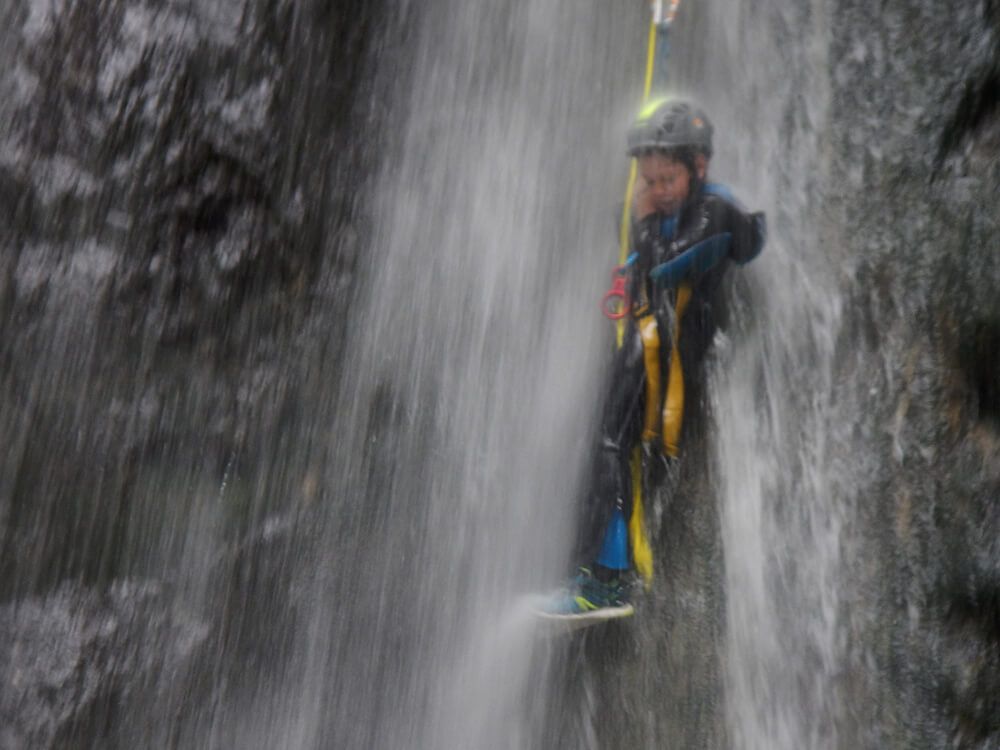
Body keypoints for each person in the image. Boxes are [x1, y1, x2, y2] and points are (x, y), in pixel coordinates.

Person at [544, 98, 766, 616]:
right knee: (597, 444)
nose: (657, 192)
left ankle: (609, 581)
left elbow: (670, 265)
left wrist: (639, 224)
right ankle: (591, 571)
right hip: (646, 355)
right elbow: (636, 244)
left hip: (675, 370)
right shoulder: (665, 209)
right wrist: (636, 220)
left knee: (610, 446)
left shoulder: (717, 213)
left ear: (700, 167)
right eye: (648, 181)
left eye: (667, 180)